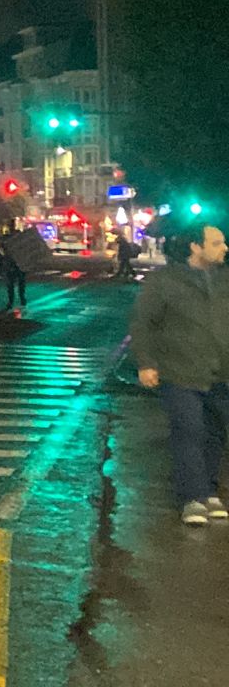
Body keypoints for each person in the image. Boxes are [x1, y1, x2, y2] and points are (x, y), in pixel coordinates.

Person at [129, 224, 229, 526]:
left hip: (220, 372)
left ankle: (208, 491)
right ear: (196, 247)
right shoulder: (166, 281)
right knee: (189, 430)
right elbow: (143, 322)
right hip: (180, 371)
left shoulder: (225, 279)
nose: (224, 248)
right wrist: (146, 363)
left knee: (215, 433)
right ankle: (192, 497)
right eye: (216, 243)